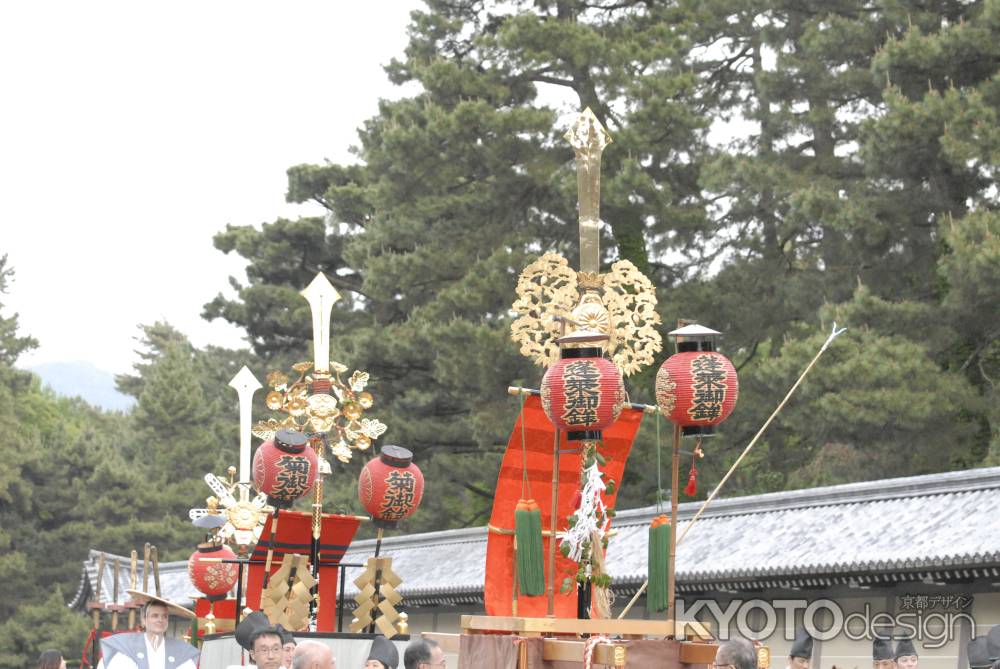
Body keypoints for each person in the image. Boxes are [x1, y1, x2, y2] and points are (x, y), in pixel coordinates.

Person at [99, 591, 199, 669]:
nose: (160, 620)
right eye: (155, 616)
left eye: (164, 616)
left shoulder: (180, 650)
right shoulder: (126, 647)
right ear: (143, 620)